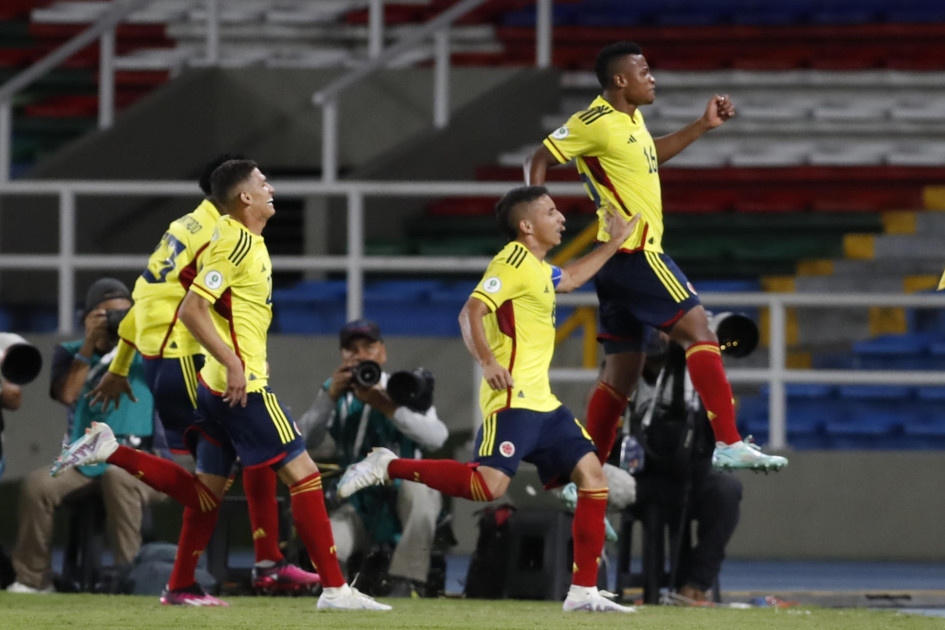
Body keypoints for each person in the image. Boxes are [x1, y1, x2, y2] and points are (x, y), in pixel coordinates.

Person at [338, 185, 638, 613]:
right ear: (527, 225)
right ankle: (387, 464)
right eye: (552, 212)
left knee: (594, 479)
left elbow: (570, 278)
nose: (562, 219)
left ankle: (583, 592)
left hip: (545, 405)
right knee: (487, 486)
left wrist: (614, 242)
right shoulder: (511, 261)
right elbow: (470, 311)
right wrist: (487, 360)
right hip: (512, 401)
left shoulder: (538, 268)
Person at [57, 154, 319, 605]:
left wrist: (121, 366)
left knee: (212, 483)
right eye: (259, 180)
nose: (267, 187)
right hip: (188, 359)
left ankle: (184, 583)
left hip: (164, 363)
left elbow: (143, 300)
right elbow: (191, 308)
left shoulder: (181, 228)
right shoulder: (224, 235)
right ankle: (268, 562)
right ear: (241, 194)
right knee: (264, 445)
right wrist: (236, 361)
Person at [526, 40, 787, 473]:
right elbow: (537, 159)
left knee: (621, 376)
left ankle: (585, 471)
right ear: (619, 80)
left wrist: (702, 125)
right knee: (700, 329)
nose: (653, 78)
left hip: (616, 263)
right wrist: (536, 226)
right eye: (644, 70)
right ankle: (728, 441)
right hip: (636, 253)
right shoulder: (594, 121)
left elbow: (650, 155)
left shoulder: (631, 121)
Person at [7, 278, 161, 594]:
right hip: (87, 459)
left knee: (118, 477)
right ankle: (33, 580)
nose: (118, 323)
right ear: (88, 317)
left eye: (124, 315)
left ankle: (128, 579)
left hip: (142, 460)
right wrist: (91, 344)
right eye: (109, 316)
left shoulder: (148, 352)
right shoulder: (71, 352)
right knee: (38, 485)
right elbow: (67, 394)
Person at [298, 318, 448, 597]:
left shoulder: (403, 387)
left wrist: (389, 408)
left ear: (382, 352)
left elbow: (437, 437)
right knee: (332, 538)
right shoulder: (336, 392)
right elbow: (303, 440)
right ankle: (335, 587)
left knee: (422, 495)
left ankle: (405, 581)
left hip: (404, 488)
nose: (361, 355)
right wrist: (329, 397)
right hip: (358, 497)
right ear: (342, 355)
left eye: (368, 346)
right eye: (351, 349)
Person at [621, 334, 742, 605]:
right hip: (640, 477)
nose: (657, 335)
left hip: (689, 471)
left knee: (726, 489)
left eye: (665, 328)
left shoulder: (692, 365)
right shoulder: (621, 363)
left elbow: (717, 428)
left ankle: (695, 583)